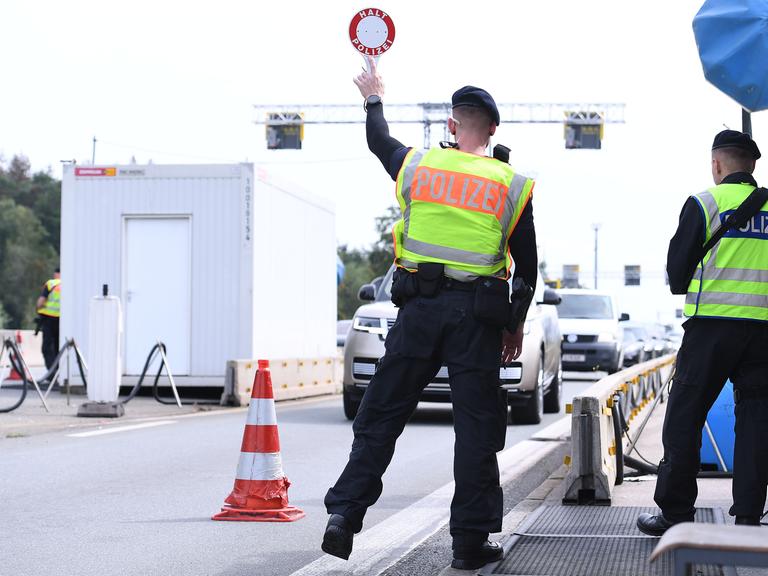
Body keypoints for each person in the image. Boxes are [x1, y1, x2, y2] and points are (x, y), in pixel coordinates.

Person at [322, 57, 538, 570]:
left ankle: (344, 517)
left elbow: (379, 140)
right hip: (478, 320)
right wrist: (515, 322)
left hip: (418, 311)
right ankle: (469, 543)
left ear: (451, 125)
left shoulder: (419, 165)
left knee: (380, 417)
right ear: (491, 131)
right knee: (477, 432)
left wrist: (374, 94)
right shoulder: (511, 184)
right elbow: (527, 266)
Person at [637, 130, 767, 536]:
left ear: (716, 164)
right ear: (753, 165)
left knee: (685, 418)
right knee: (756, 421)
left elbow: (677, 276)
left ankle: (675, 513)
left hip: (710, 328)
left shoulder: (704, 203)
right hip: (763, 333)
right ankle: (747, 515)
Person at [36, 268, 60, 370]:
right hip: (63, 321)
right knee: (58, 347)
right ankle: (59, 373)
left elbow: (40, 303)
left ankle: (51, 374)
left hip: (49, 320)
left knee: (47, 348)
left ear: (57, 274)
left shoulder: (51, 283)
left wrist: (38, 309)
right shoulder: (70, 284)